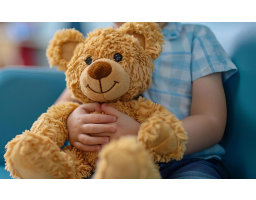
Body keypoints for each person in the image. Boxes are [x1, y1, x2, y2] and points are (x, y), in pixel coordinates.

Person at [55, 22, 237, 179]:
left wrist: (143, 137)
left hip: (186, 162)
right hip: (113, 164)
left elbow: (211, 121)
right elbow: (61, 109)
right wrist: (72, 124)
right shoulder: (98, 43)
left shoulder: (196, 38)